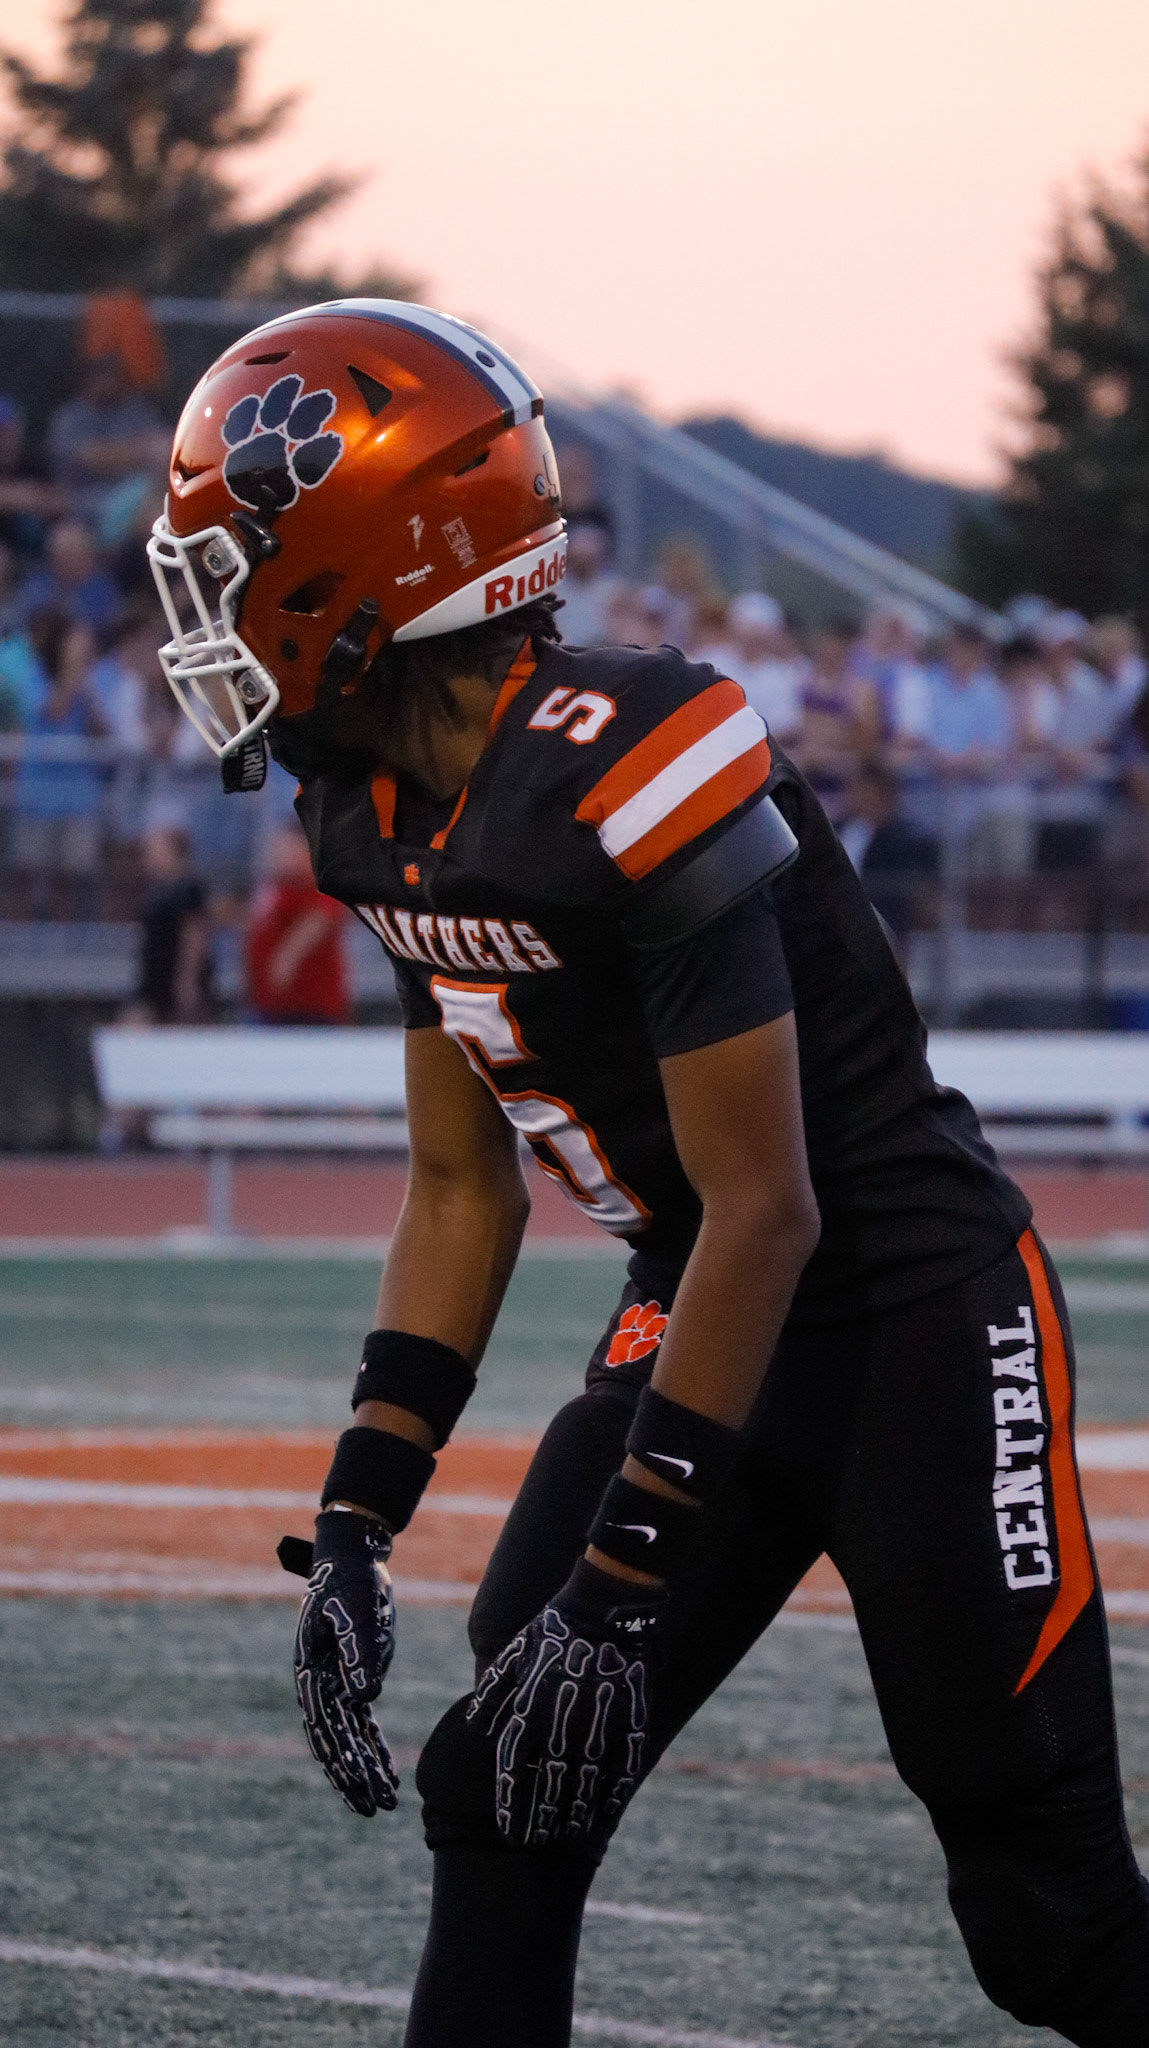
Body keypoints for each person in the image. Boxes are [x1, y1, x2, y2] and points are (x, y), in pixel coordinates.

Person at [151, 301, 1149, 2048]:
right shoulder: (367, 804)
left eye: (233, 569)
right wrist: (360, 1514)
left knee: (1043, 1912)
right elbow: (459, 1187)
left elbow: (770, 1205)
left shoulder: (631, 756)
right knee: (505, 1784)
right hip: (706, 1302)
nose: (207, 620)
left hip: (906, 1308)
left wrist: (622, 1579)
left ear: (359, 570)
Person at [9, 608, 106, 918]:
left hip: (79, 795)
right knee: (34, 876)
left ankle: (77, 937)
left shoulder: (89, 680)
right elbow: (53, 710)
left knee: (77, 876)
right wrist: (71, 671)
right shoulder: (33, 675)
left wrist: (86, 689)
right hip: (39, 795)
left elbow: (102, 730)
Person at [246, 821, 350, 1025]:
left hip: (310, 1010)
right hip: (270, 1006)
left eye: (290, 849)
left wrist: (286, 958)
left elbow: (321, 919)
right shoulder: (275, 889)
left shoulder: (319, 888)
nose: (282, 855)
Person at [130, 820, 213, 1023]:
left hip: (173, 981)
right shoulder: (157, 890)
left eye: (155, 849)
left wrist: (187, 980)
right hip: (155, 979)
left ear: (172, 851)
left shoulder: (188, 889)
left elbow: (194, 936)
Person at [14, 519, 122, 636]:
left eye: (75, 557)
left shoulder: (102, 588)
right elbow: (25, 618)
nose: (68, 564)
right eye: (62, 557)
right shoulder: (37, 584)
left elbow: (105, 624)